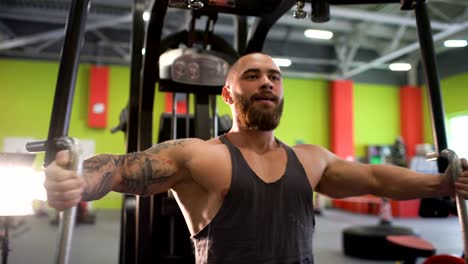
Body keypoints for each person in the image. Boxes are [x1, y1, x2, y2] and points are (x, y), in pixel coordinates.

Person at [44, 52, 468, 264]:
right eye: (252, 76)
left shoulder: (311, 159)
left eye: (274, 77)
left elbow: (374, 179)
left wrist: (443, 184)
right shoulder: (200, 155)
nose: (266, 82)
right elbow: (121, 167)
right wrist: (79, 182)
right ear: (228, 94)